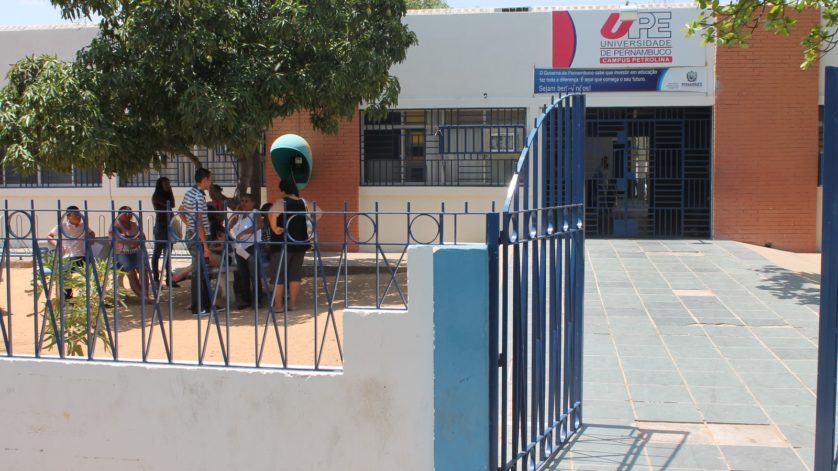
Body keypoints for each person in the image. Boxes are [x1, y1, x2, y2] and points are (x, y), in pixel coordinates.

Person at [267, 180, 320, 312]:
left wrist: (275, 228)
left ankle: (278, 306)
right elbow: (319, 212)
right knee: (295, 275)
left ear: (283, 190)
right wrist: (307, 223)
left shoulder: (282, 202)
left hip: (282, 243)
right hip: (300, 242)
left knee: (278, 275)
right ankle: (293, 304)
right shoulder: (304, 202)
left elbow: (272, 213)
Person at [178, 168, 215, 315]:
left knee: (202, 271)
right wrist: (205, 245)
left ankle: (206, 304)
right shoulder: (198, 197)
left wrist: (189, 225)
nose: (210, 182)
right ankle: (198, 306)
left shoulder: (190, 193)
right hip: (198, 238)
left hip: (193, 235)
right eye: (209, 180)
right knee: (198, 272)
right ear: (204, 180)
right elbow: (199, 221)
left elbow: (180, 210)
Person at [46, 205, 95, 299]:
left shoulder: (83, 226)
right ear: (68, 216)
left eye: (79, 215)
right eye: (76, 215)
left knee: (93, 272)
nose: (79, 217)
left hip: (81, 256)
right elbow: (49, 236)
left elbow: (92, 233)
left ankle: (87, 297)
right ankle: (68, 298)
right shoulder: (62, 226)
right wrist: (57, 244)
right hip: (67, 257)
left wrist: (92, 239)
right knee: (65, 273)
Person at [109, 206, 151, 301]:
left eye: (130, 213)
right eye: (126, 213)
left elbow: (142, 237)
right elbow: (121, 240)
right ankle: (142, 296)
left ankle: (145, 294)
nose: (129, 215)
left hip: (136, 252)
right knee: (131, 272)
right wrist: (135, 242)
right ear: (119, 215)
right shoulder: (115, 226)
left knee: (143, 271)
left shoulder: (134, 225)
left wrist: (135, 242)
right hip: (121, 253)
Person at [229, 194, 260, 309]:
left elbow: (258, 225)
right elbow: (229, 225)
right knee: (243, 275)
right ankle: (246, 300)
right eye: (242, 201)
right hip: (240, 248)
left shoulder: (255, 213)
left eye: (246, 201)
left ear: (253, 202)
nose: (243, 203)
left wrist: (243, 233)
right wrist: (235, 213)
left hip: (252, 246)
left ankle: (257, 301)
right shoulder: (240, 215)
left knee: (254, 274)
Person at [151, 177, 178, 287]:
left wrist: (170, 190)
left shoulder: (168, 194)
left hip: (169, 226)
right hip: (161, 226)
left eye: (169, 183)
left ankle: (169, 279)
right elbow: (169, 205)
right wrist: (169, 191)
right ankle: (156, 279)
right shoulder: (156, 196)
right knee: (157, 253)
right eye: (166, 183)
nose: (168, 185)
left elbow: (173, 204)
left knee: (168, 254)